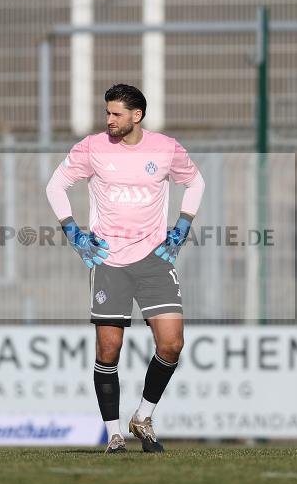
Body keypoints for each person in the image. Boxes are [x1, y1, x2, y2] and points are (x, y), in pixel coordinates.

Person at [46, 84, 206, 454]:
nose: (109, 120)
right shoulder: (92, 147)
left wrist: (183, 224)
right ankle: (113, 433)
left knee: (172, 343)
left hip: (154, 259)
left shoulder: (165, 148)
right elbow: (56, 186)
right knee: (109, 349)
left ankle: (143, 417)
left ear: (137, 115)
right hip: (109, 261)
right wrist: (73, 231)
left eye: (116, 114)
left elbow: (195, 181)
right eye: (107, 113)